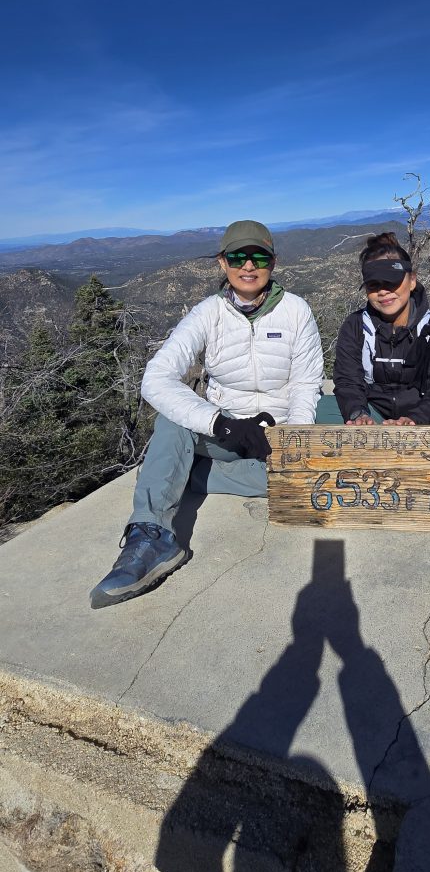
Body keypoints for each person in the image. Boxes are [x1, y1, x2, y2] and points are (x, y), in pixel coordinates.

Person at [90, 220, 323, 608]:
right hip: (223, 429)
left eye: (258, 257)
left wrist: (291, 441)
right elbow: (156, 379)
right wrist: (222, 424)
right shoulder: (207, 314)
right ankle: (151, 536)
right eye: (238, 256)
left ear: (272, 262)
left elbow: (305, 383)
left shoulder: (297, 312)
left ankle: (183, 474)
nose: (248, 266)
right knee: (172, 418)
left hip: (275, 434)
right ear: (222, 262)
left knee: (301, 480)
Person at [317, 232, 430, 427]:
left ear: (412, 280)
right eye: (373, 285)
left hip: (425, 413)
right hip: (372, 410)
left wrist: (416, 419)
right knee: (320, 410)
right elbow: (348, 380)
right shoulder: (355, 326)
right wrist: (358, 414)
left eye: (391, 282)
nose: (383, 291)